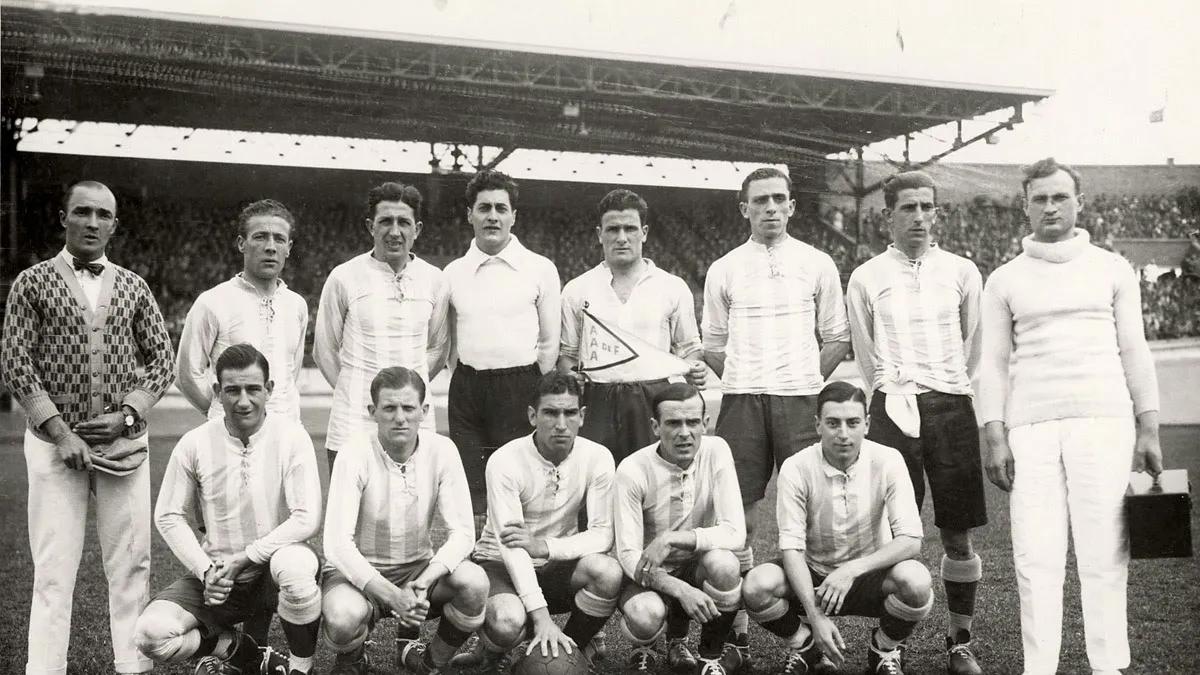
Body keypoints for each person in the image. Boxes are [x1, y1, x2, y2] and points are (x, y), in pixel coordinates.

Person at [980, 158, 1162, 675]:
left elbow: (1135, 350)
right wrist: (995, 435)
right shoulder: (1004, 279)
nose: (1050, 207)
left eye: (1060, 197)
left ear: (1079, 202)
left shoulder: (1112, 268)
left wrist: (1148, 426)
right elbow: (991, 365)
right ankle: (1040, 668)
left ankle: (1108, 666)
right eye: (1040, 198)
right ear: (1025, 205)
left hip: (1104, 422)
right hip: (1031, 428)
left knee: (1104, 553)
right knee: (1035, 558)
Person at [1, 180, 175, 675]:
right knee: (53, 573)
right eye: (83, 212)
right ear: (63, 218)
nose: (93, 223)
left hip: (125, 446)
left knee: (131, 567)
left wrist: (127, 413)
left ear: (115, 225)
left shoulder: (135, 286)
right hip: (55, 449)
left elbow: (163, 361)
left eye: (103, 215)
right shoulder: (31, 282)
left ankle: (132, 666)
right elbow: (16, 362)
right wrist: (61, 432)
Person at [702, 167, 851, 658]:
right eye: (759, 200)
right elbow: (713, 344)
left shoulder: (818, 262)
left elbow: (837, 336)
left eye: (779, 199)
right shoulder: (724, 268)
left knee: (810, 513)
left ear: (792, 206)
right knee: (736, 517)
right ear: (743, 208)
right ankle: (738, 630)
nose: (770, 207)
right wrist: (747, 374)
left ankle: (815, 622)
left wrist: (807, 378)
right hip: (743, 400)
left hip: (800, 400)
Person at [846, 170, 986, 674]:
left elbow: (974, 347)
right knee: (895, 534)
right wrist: (891, 394)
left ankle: (960, 640)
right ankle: (890, 644)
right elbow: (865, 353)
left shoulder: (963, 271)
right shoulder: (866, 277)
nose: (920, 217)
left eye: (928, 207)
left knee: (957, 534)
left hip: (949, 406)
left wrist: (945, 388)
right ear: (889, 215)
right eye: (909, 208)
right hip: (891, 406)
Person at [133, 343, 323, 674]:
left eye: (253, 389)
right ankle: (243, 654)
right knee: (152, 635)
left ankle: (300, 668)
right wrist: (206, 571)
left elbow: (306, 517)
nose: (244, 400)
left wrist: (247, 557)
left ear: (270, 389)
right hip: (219, 575)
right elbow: (168, 515)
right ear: (219, 392)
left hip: (275, 568)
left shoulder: (292, 437)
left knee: (295, 568)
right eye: (233, 390)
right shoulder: (194, 443)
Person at [742, 381, 932, 675]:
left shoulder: (889, 460)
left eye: (852, 422)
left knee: (916, 581)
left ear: (866, 424)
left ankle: (884, 649)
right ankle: (805, 646)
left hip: (869, 575)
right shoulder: (796, 466)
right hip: (813, 574)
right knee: (757, 585)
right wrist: (815, 618)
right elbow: (792, 549)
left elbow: (910, 540)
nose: (843, 433)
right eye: (833, 423)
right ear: (818, 425)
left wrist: (852, 570)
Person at [321, 366, 487, 675]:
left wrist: (424, 580)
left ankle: (429, 663)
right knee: (342, 616)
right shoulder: (353, 452)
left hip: (418, 571)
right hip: (359, 576)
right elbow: (336, 545)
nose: (400, 417)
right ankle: (353, 660)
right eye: (390, 408)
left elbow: (463, 533)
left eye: (408, 407)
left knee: (474, 583)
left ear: (424, 410)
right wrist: (393, 597)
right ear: (373, 411)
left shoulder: (442, 450)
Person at [452, 372, 622, 672]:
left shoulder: (598, 456)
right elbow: (512, 548)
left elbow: (602, 536)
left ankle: (570, 650)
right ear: (532, 415)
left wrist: (545, 546)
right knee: (507, 621)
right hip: (500, 564)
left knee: (606, 571)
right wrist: (542, 617)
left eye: (570, 413)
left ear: (582, 416)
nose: (560, 423)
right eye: (550, 413)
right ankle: (492, 650)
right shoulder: (505, 460)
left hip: (556, 564)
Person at [558, 188, 706, 464]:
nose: (622, 237)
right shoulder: (576, 289)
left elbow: (690, 350)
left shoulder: (672, 287)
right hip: (597, 398)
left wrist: (694, 368)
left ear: (645, 232)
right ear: (599, 234)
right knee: (597, 483)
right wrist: (570, 376)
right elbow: (567, 356)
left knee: (653, 484)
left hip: (653, 396)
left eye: (630, 228)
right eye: (613, 229)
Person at [444, 170, 561, 517]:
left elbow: (550, 340)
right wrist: (464, 375)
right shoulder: (452, 273)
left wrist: (530, 380)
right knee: (472, 485)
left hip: (520, 385)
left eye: (500, 208)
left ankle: (524, 561)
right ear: (470, 215)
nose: (492, 216)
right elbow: (445, 337)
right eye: (483, 208)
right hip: (468, 388)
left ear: (514, 216)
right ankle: (479, 561)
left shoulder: (540, 268)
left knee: (517, 481)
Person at [613, 383, 747, 675]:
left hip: (694, 565)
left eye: (693, 422)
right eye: (673, 423)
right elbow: (627, 555)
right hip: (650, 573)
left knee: (725, 564)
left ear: (705, 424)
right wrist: (680, 589)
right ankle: (647, 644)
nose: (684, 432)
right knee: (646, 615)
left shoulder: (716, 450)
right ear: (655, 426)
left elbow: (736, 532)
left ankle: (710, 655)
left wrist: (673, 538)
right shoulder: (632, 469)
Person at [315, 182, 450, 467]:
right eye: (385, 221)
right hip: (353, 421)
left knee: (413, 506)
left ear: (418, 229)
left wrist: (411, 392)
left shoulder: (434, 279)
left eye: (404, 222)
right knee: (350, 510)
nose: (394, 231)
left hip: (414, 422)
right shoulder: (344, 277)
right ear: (370, 226)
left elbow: (438, 348)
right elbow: (324, 350)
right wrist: (356, 390)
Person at [177, 199, 308, 422]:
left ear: (288, 248)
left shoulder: (297, 305)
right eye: (260, 237)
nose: (270, 246)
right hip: (232, 437)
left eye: (279, 239)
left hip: (288, 435)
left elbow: (291, 374)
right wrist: (227, 414)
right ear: (241, 244)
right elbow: (186, 375)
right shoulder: (212, 301)